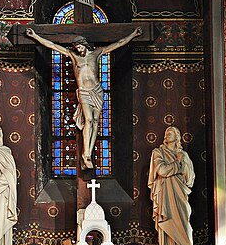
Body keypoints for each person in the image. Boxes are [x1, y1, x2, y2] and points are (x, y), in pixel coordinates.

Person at [26, 26, 142, 169]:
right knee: (88, 119)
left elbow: (118, 44)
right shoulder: (73, 56)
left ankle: (89, 152)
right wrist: (35, 36)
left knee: (95, 122)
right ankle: (85, 153)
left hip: (97, 91)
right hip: (84, 92)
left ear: (85, 45)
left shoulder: (97, 53)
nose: (79, 50)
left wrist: (133, 34)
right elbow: (52, 45)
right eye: (77, 47)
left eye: (80, 47)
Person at [148, 126, 200, 245]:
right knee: (168, 219)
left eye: (171, 133)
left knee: (183, 221)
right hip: (165, 194)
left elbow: (190, 178)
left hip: (180, 192)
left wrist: (182, 165)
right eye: (166, 132)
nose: (168, 134)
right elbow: (162, 170)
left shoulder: (184, 155)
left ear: (178, 137)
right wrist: (178, 164)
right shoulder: (158, 152)